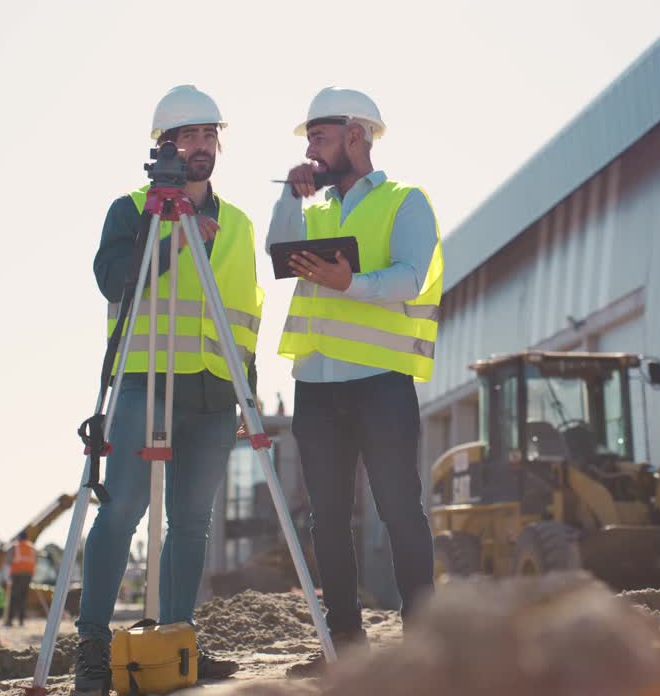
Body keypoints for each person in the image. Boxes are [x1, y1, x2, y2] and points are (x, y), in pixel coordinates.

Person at [72, 85, 262, 696]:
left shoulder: (238, 224)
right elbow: (112, 283)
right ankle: (93, 648)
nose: (201, 145)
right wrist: (174, 240)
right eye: (189, 135)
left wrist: (246, 393)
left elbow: (246, 315)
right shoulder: (131, 210)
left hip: (211, 393)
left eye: (210, 135)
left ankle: (180, 639)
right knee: (123, 507)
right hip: (144, 381)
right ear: (164, 146)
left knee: (192, 523)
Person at [268, 87, 444, 676]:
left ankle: (423, 645)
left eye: (318, 135)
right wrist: (292, 197)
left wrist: (354, 284)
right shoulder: (312, 206)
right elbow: (278, 250)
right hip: (316, 383)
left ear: (354, 136)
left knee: (399, 508)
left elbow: (412, 277)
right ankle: (345, 646)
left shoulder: (405, 200)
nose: (310, 147)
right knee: (327, 517)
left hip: (381, 382)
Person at [3, 532, 36, 627]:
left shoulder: (15, 546)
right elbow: (35, 561)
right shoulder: (32, 547)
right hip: (28, 575)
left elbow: (8, 561)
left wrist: (7, 576)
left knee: (13, 597)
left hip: (17, 574)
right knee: (23, 598)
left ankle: (9, 620)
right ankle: (21, 620)